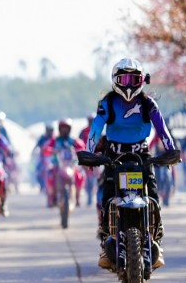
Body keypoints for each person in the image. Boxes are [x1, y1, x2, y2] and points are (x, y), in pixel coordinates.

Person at [86, 58, 177, 271]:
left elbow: (162, 130)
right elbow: (96, 129)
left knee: (152, 195)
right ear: (115, 80)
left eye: (133, 80)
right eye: (124, 79)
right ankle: (106, 242)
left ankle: (156, 238)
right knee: (108, 197)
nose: (128, 85)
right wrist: (89, 153)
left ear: (142, 81)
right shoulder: (107, 103)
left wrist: (171, 151)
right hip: (113, 156)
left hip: (141, 156)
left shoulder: (148, 104)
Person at [43, 118, 86, 208]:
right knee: (50, 173)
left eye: (66, 128)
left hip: (71, 164)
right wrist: (50, 150)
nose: (64, 129)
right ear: (59, 128)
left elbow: (82, 147)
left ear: (70, 129)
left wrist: (80, 151)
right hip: (58, 164)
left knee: (80, 174)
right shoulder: (55, 140)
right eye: (63, 127)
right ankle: (51, 197)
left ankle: (77, 196)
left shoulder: (74, 140)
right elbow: (45, 148)